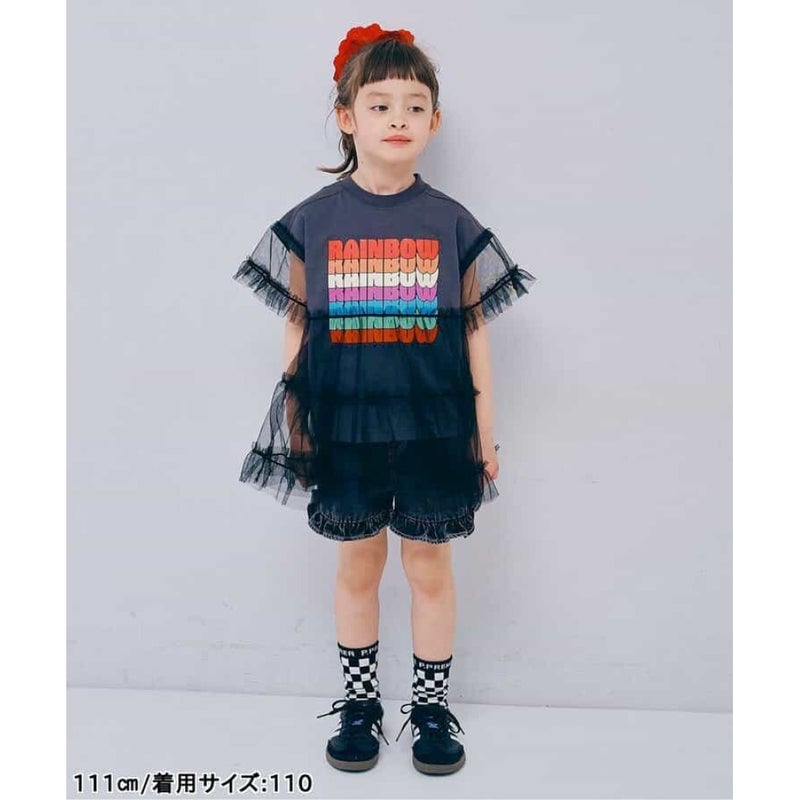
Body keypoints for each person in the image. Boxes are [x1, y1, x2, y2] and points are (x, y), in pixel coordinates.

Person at [232, 22, 536, 776]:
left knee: (430, 569)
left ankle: (430, 711)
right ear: (347, 116)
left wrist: (484, 430)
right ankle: (360, 704)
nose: (397, 118)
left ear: (434, 121)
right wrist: (298, 423)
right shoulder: (314, 221)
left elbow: (473, 332)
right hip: (345, 426)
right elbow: (299, 327)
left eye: (414, 105)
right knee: (358, 567)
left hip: (435, 427)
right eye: (379, 104)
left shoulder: (451, 222)